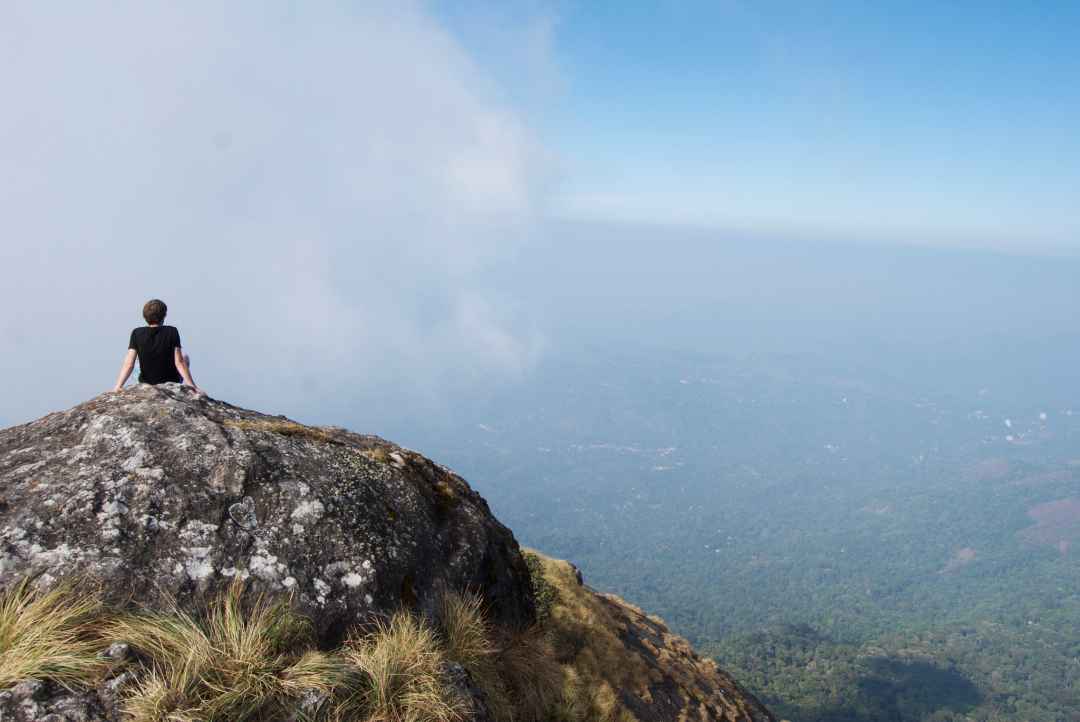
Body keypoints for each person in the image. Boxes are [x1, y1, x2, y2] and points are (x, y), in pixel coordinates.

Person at [112, 299, 202, 394]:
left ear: (145, 316)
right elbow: (179, 362)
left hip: (146, 382)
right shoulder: (172, 331)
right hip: (172, 380)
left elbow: (129, 364)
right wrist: (193, 387)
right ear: (164, 315)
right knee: (185, 358)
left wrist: (118, 386)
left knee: (136, 359)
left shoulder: (136, 333)